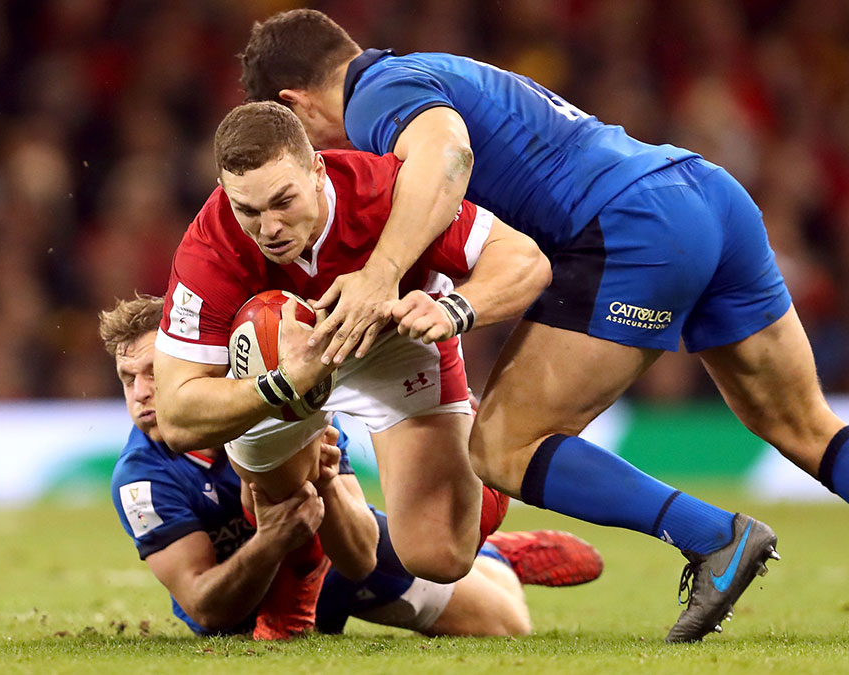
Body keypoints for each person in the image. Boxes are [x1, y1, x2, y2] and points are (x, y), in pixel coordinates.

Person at [238, 9, 849, 641]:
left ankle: (714, 535)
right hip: (705, 194)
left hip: (629, 228)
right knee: (804, 422)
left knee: (502, 444)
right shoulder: (428, 68)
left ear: (292, 107)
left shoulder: (379, 96)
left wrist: (378, 277)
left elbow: (446, 153)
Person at [150, 102, 550, 585]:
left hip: (394, 342)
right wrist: (283, 382)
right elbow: (175, 417)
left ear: (317, 170)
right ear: (223, 191)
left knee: (439, 558)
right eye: (248, 210)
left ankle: (471, 469)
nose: (270, 227)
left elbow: (526, 261)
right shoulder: (210, 247)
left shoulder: (382, 190)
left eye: (283, 201)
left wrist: (452, 309)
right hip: (282, 371)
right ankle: (305, 560)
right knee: (274, 507)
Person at [100, 294, 604, 638]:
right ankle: (484, 550)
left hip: (336, 565)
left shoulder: (271, 413)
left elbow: (359, 555)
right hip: (247, 605)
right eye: (128, 378)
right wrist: (269, 542)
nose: (142, 392)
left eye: (153, 373)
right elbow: (204, 607)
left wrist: (325, 480)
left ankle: (497, 557)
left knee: (507, 623)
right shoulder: (143, 477)